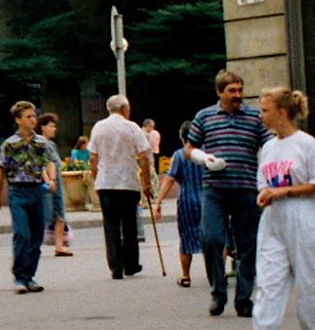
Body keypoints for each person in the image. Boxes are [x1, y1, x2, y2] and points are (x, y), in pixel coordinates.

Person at [230, 88, 315, 330]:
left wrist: (284, 191)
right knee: (269, 279)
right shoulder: (269, 147)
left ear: (282, 112)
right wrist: (264, 194)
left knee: (308, 281)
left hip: (303, 215)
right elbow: (264, 182)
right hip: (274, 218)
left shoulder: (306, 144)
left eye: (264, 110)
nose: (260, 116)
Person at [184, 70, 268, 318]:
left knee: (247, 245)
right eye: (232, 91)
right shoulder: (205, 116)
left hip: (246, 187)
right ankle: (218, 292)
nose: (237, 95)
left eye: (240, 90)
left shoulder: (254, 116)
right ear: (219, 92)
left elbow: (269, 143)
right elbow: (190, 148)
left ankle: (243, 298)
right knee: (211, 238)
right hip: (215, 189)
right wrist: (203, 158)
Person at [87, 95, 155, 279]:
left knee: (111, 226)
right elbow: (143, 156)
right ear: (125, 108)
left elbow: (93, 158)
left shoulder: (98, 127)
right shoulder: (132, 127)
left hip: (106, 183)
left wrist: (97, 178)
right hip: (127, 183)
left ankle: (115, 266)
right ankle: (131, 264)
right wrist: (147, 183)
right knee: (129, 225)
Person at [0, 100, 51, 293]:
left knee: (36, 235)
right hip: (17, 191)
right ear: (18, 120)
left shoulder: (41, 142)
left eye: (34, 116)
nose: (33, 120)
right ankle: (20, 277)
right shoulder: (10, 144)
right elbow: (0, 172)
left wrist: (50, 181)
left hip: (37, 191)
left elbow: (46, 165)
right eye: (28, 117)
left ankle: (30, 276)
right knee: (22, 233)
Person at [153, 138, 208, 287]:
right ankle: (217, 273)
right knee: (214, 238)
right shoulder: (209, 152)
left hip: (187, 202)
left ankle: (185, 276)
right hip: (209, 201)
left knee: (186, 238)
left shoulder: (180, 155)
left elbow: (169, 180)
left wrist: (158, 202)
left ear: (182, 138)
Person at [36, 112, 73, 256]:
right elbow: (40, 165)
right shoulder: (39, 143)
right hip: (46, 184)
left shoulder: (51, 144)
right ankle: (33, 245)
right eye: (51, 126)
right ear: (43, 127)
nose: (54, 129)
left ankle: (59, 245)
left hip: (56, 182)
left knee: (60, 213)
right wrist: (48, 180)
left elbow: (54, 163)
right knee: (45, 214)